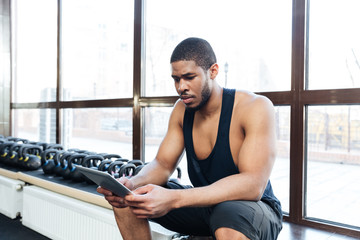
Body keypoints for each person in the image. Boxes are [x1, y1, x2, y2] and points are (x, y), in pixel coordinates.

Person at [97, 37, 282, 240]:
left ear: (213, 71)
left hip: (254, 209)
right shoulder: (181, 110)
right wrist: (131, 184)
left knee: (229, 219)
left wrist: (174, 198)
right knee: (130, 198)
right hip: (206, 205)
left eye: (189, 77)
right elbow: (162, 164)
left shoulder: (254, 107)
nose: (180, 87)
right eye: (176, 79)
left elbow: (253, 185)